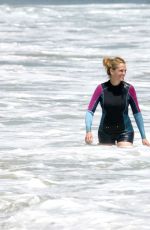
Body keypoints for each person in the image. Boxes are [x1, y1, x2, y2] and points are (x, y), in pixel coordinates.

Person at [85, 56, 150, 147]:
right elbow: (90, 111)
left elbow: (137, 113)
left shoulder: (129, 89)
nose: (124, 73)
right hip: (105, 132)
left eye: (125, 71)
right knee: (106, 160)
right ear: (112, 71)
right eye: (121, 70)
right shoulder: (101, 89)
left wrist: (144, 137)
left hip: (125, 131)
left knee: (125, 153)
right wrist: (88, 131)